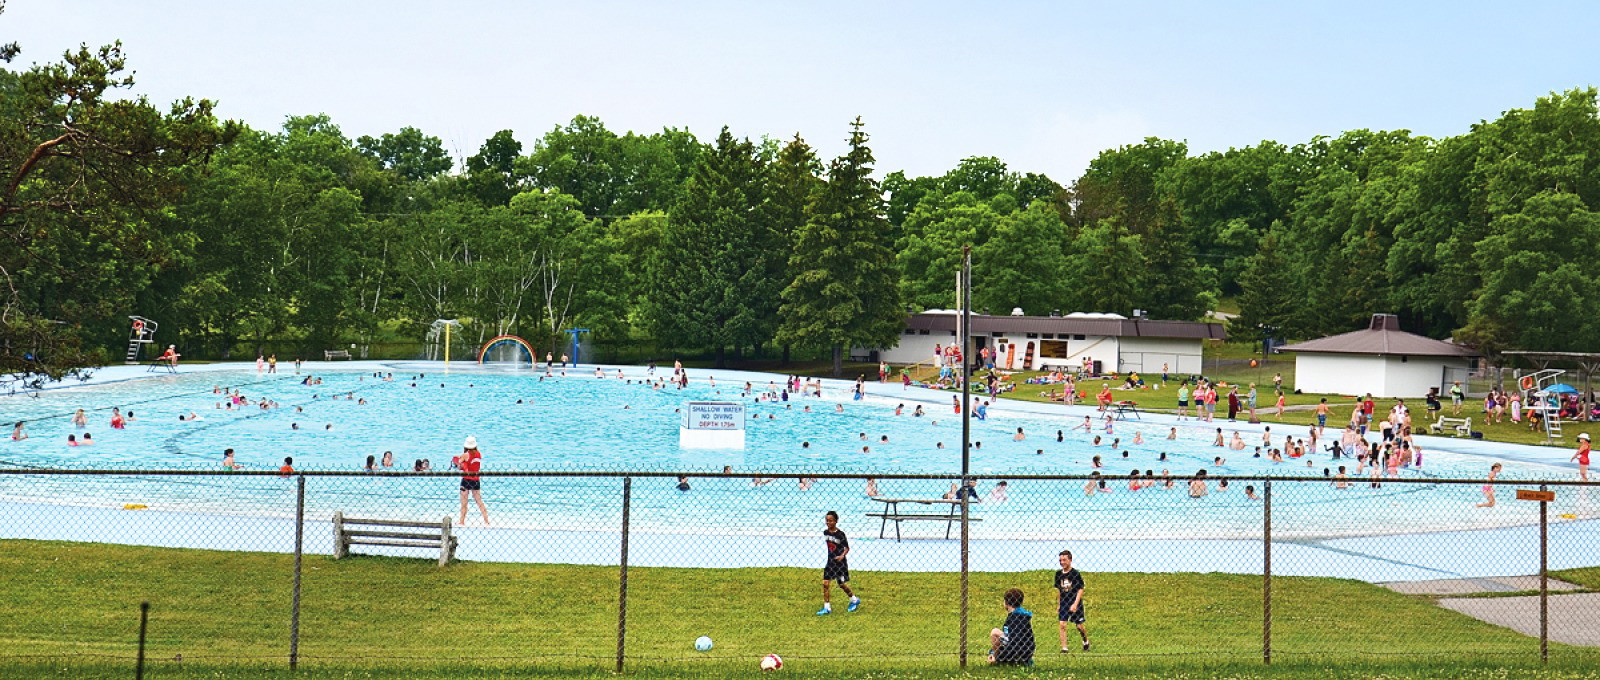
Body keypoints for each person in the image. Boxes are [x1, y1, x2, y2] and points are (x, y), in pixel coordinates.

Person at [818, 510, 860, 615]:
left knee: (841, 584)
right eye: (827, 521)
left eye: (831, 521)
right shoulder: (825, 532)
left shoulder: (841, 534)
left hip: (840, 564)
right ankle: (827, 607)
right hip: (830, 562)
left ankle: (854, 599)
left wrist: (842, 556)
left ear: (836, 521)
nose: (828, 523)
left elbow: (847, 548)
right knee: (825, 583)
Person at [988, 588, 1036, 665]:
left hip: (1015, 652)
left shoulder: (1014, 617)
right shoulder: (1023, 615)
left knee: (995, 632)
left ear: (1006, 602)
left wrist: (997, 654)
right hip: (1027, 651)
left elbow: (1013, 641)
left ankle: (995, 658)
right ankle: (1024, 661)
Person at [454, 436, 489, 526]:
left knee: (464, 502)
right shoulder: (479, 454)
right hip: (476, 479)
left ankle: (462, 521)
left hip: (466, 480)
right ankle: (486, 521)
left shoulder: (466, 454)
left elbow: (459, 465)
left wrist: (459, 462)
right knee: (479, 501)